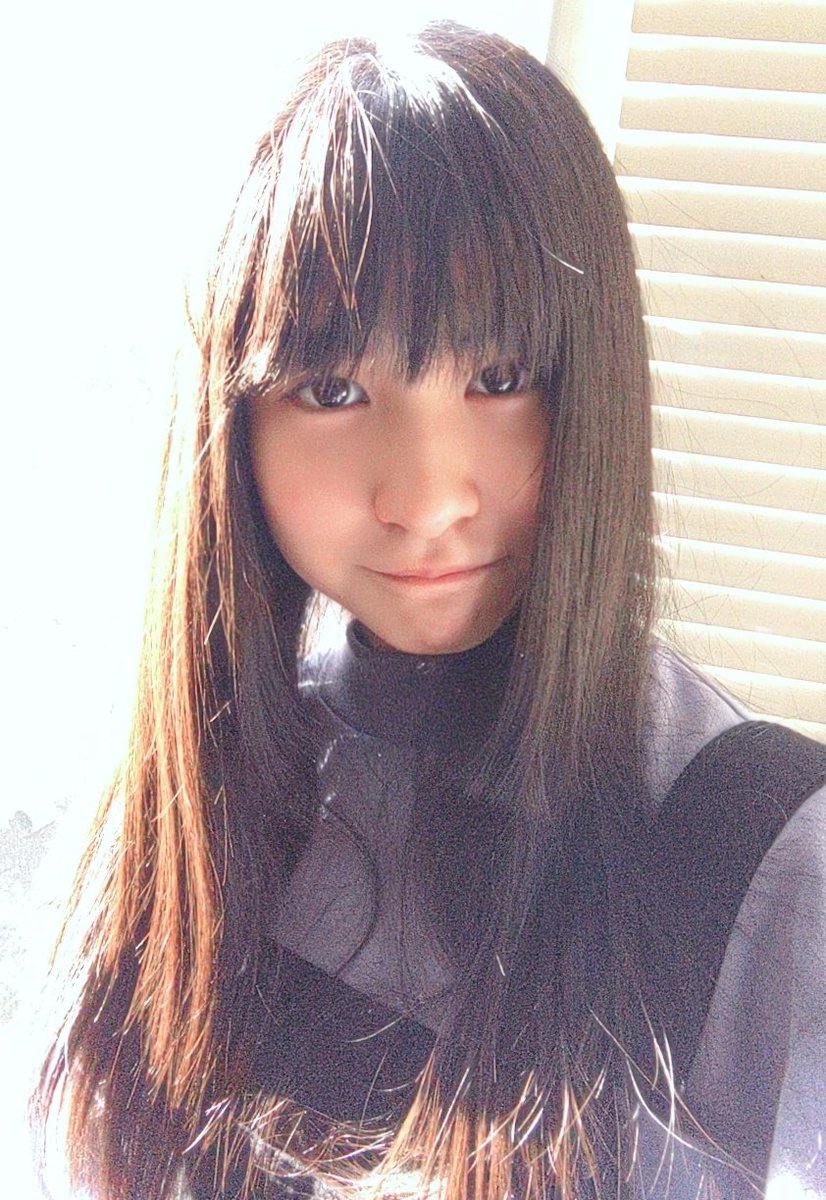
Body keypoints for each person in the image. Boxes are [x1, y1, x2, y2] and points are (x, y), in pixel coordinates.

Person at [34, 21, 826, 1200]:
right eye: (331, 388)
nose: (424, 499)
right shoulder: (180, 793)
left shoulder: (767, 858)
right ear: (233, 427)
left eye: (499, 379)